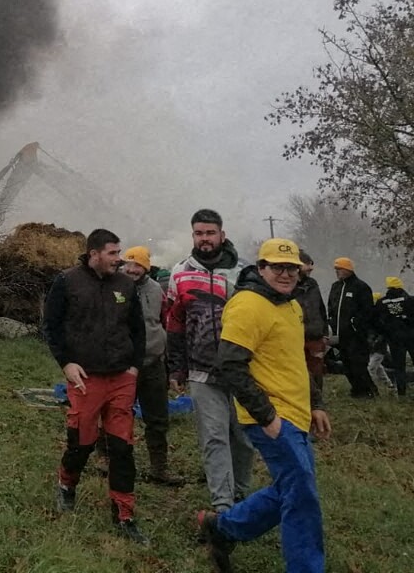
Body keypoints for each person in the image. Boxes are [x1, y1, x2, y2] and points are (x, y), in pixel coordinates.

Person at [196, 238, 332, 573]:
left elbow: (294, 361)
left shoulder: (291, 305)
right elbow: (229, 365)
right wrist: (266, 416)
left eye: (291, 268)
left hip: (297, 415)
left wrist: (314, 403)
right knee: (302, 497)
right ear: (261, 268)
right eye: (277, 267)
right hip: (272, 418)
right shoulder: (248, 305)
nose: (286, 274)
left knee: (292, 488)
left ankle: (223, 528)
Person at [44, 228, 148, 542]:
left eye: (120, 252)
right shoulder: (66, 282)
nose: (120, 259)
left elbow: (138, 330)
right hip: (85, 378)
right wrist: (66, 363)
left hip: (121, 378)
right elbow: (51, 326)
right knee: (82, 442)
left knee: (122, 447)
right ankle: (66, 484)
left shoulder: (126, 285)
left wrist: (134, 367)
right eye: (113, 253)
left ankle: (124, 515)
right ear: (94, 254)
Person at [166, 209, 254, 514]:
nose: (205, 239)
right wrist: (176, 367)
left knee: (242, 438)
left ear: (222, 235)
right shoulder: (179, 272)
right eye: (199, 233)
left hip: (243, 371)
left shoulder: (245, 272)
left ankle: (242, 494)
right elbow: (174, 322)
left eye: (210, 233)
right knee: (214, 437)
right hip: (200, 370)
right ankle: (223, 505)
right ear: (193, 236)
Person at [121, 245, 184, 486]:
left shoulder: (157, 289)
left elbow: (164, 321)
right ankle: (111, 461)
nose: (132, 269)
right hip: (124, 364)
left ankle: (159, 468)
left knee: (158, 418)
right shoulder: (114, 287)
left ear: (146, 267)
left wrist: (170, 360)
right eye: (128, 263)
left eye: (137, 265)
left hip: (153, 362)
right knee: (118, 414)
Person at [371, 277, 414, 399]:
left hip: (395, 339)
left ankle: (401, 393)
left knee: (399, 366)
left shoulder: (382, 303)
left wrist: (386, 331)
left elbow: (374, 320)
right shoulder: (411, 300)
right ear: (400, 287)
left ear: (388, 287)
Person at [327, 258, 376, 397]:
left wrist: (356, 325)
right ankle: (356, 389)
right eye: (336, 270)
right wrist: (331, 322)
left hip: (356, 335)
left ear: (349, 269)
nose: (338, 272)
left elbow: (367, 311)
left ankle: (369, 390)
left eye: (340, 269)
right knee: (346, 364)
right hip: (339, 335)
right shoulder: (335, 286)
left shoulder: (361, 287)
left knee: (358, 364)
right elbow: (331, 306)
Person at [292, 252, 329, 400]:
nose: (311, 268)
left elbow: (321, 308)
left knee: (317, 370)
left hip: (315, 336)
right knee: (299, 371)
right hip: (296, 337)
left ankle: (317, 401)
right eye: (308, 264)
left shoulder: (312, 284)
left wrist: (325, 331)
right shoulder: (287, 285)